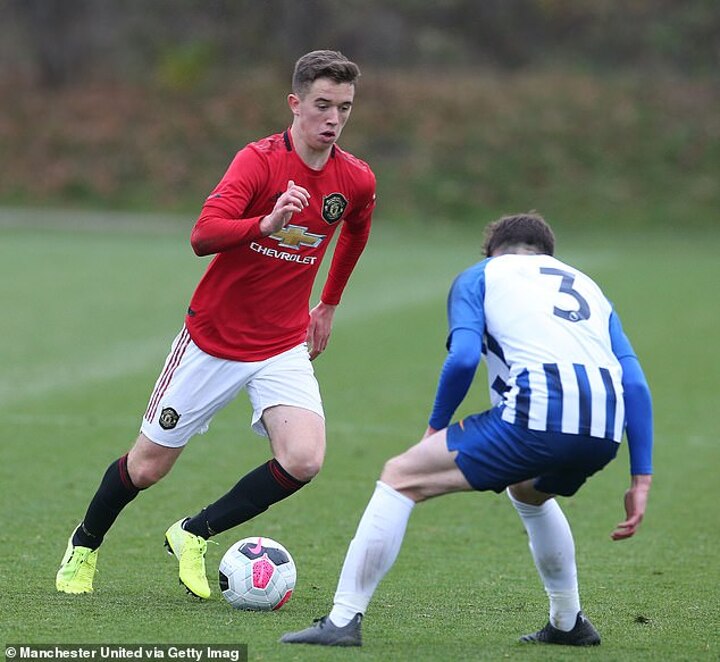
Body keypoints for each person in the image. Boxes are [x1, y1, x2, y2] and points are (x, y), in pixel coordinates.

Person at [56, 50, 376, 598]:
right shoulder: (258, 161)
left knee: (303, 460)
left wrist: (328, 304)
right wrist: (265, 223)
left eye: (344, 108)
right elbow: (203, 235)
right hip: (213, 339)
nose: (333, 118)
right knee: (147, 467)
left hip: (281, 344)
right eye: (322, 105)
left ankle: (193, 533)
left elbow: (356, 229)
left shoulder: (355, 178)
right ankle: (84, 545)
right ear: (295, 103)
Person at [281, 213, 653, 648]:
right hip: (604, 429)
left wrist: (435, 428)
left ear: (492, 251)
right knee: (528, 492)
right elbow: (634, 383)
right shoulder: (587, 286)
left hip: (537, 415)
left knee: (399, 476)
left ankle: (342, 620)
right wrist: (640, 478)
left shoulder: (481, 276)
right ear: (548, 256)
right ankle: (568, 622)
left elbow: (461, 359)